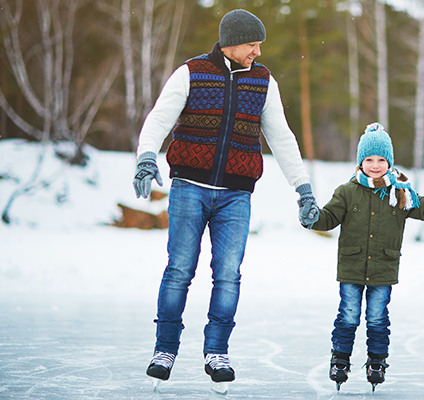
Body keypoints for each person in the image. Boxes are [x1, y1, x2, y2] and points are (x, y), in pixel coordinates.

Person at [131, 9, 320, 390]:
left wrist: (303, 188)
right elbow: (158, 118)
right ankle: (164, 350)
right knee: (179, 270)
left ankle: (217, 351)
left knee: (228, 275)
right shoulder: (192, 72)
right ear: (233, 41)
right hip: (189, 188)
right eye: (253, 44)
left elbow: (282, 138)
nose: (258, 52)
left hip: (236, 195)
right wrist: (146, 156)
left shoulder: (264, 82)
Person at [306, 123, 424, 392]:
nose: (375, 165)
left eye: (381, 159)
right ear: (360, 162)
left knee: (378, 317)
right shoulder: (347, 191)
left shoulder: (400, 192)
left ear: (389, 162)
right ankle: (340, 358)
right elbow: (328, 218)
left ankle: (377, 361)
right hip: (352, 266)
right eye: (369, 159)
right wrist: (311, 218)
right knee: (349, 315)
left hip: (383, 268)